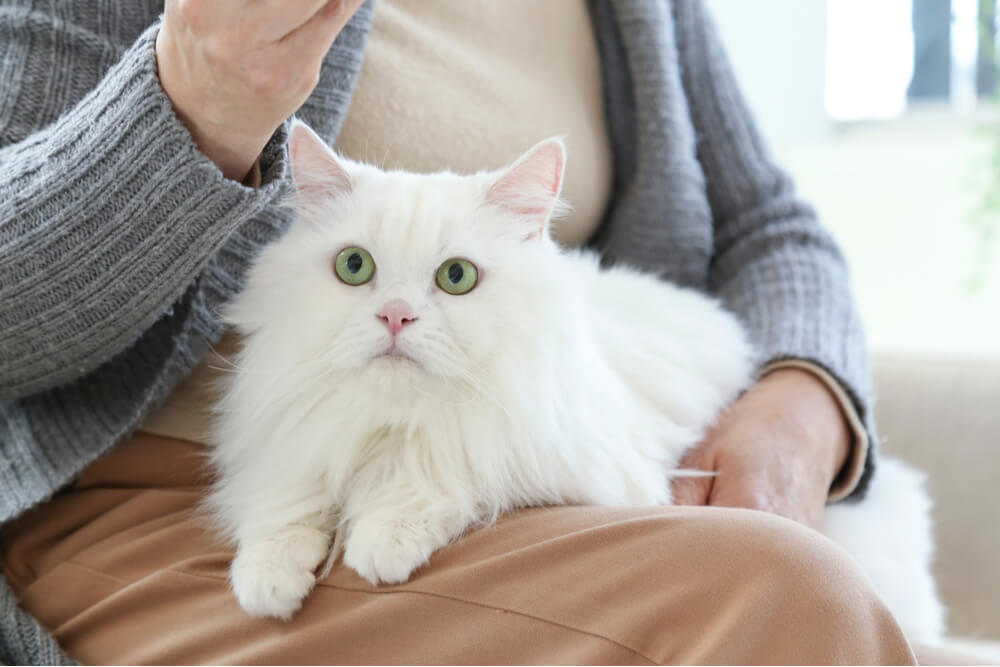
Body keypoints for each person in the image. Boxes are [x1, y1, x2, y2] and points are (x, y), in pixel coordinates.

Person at [0, 0, 917, 663]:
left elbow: (768, 224)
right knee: (793, 603)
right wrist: (188, 104)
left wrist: (805, 400)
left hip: (510, 466)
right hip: (154, 507)